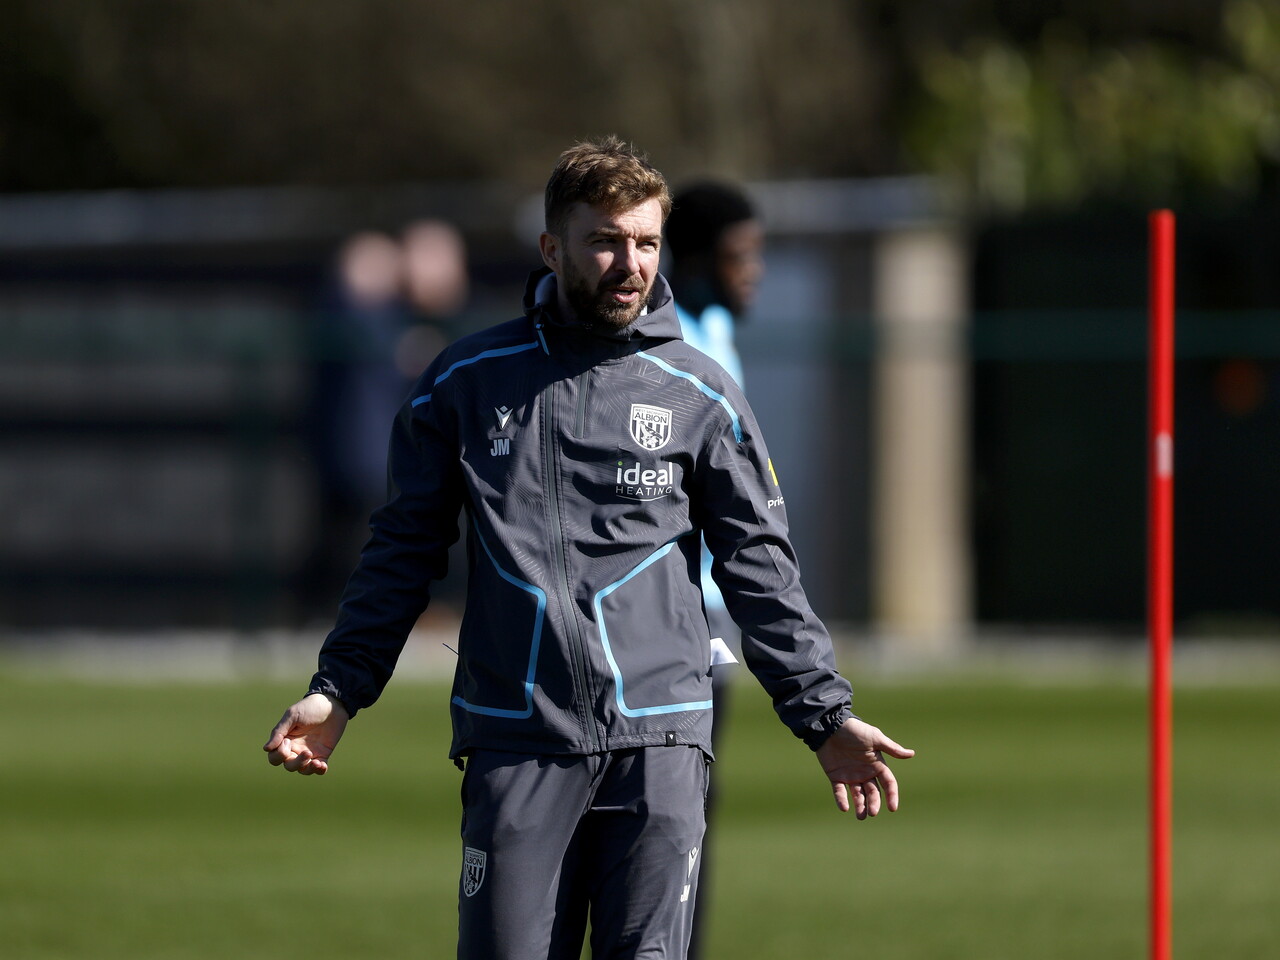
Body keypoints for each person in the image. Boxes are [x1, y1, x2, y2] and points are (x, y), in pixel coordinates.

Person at [264, 136, 913, 960]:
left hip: (664, 736)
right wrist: (338, 691)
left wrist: (824, 713)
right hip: (518, 735)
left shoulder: (704, 392)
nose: (629, 263)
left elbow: (761, 570)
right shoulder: (465, 383)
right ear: (552, 247)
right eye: (605, 239)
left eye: (645, 242)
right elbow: (399, 555)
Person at [663, 180, 765, 960]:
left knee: (690, 810)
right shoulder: (661, 343)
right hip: (657, 618)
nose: (752, 270)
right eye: (738, 256)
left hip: (710, 620)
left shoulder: (720, 330)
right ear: (692, 260)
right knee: (657, 814)